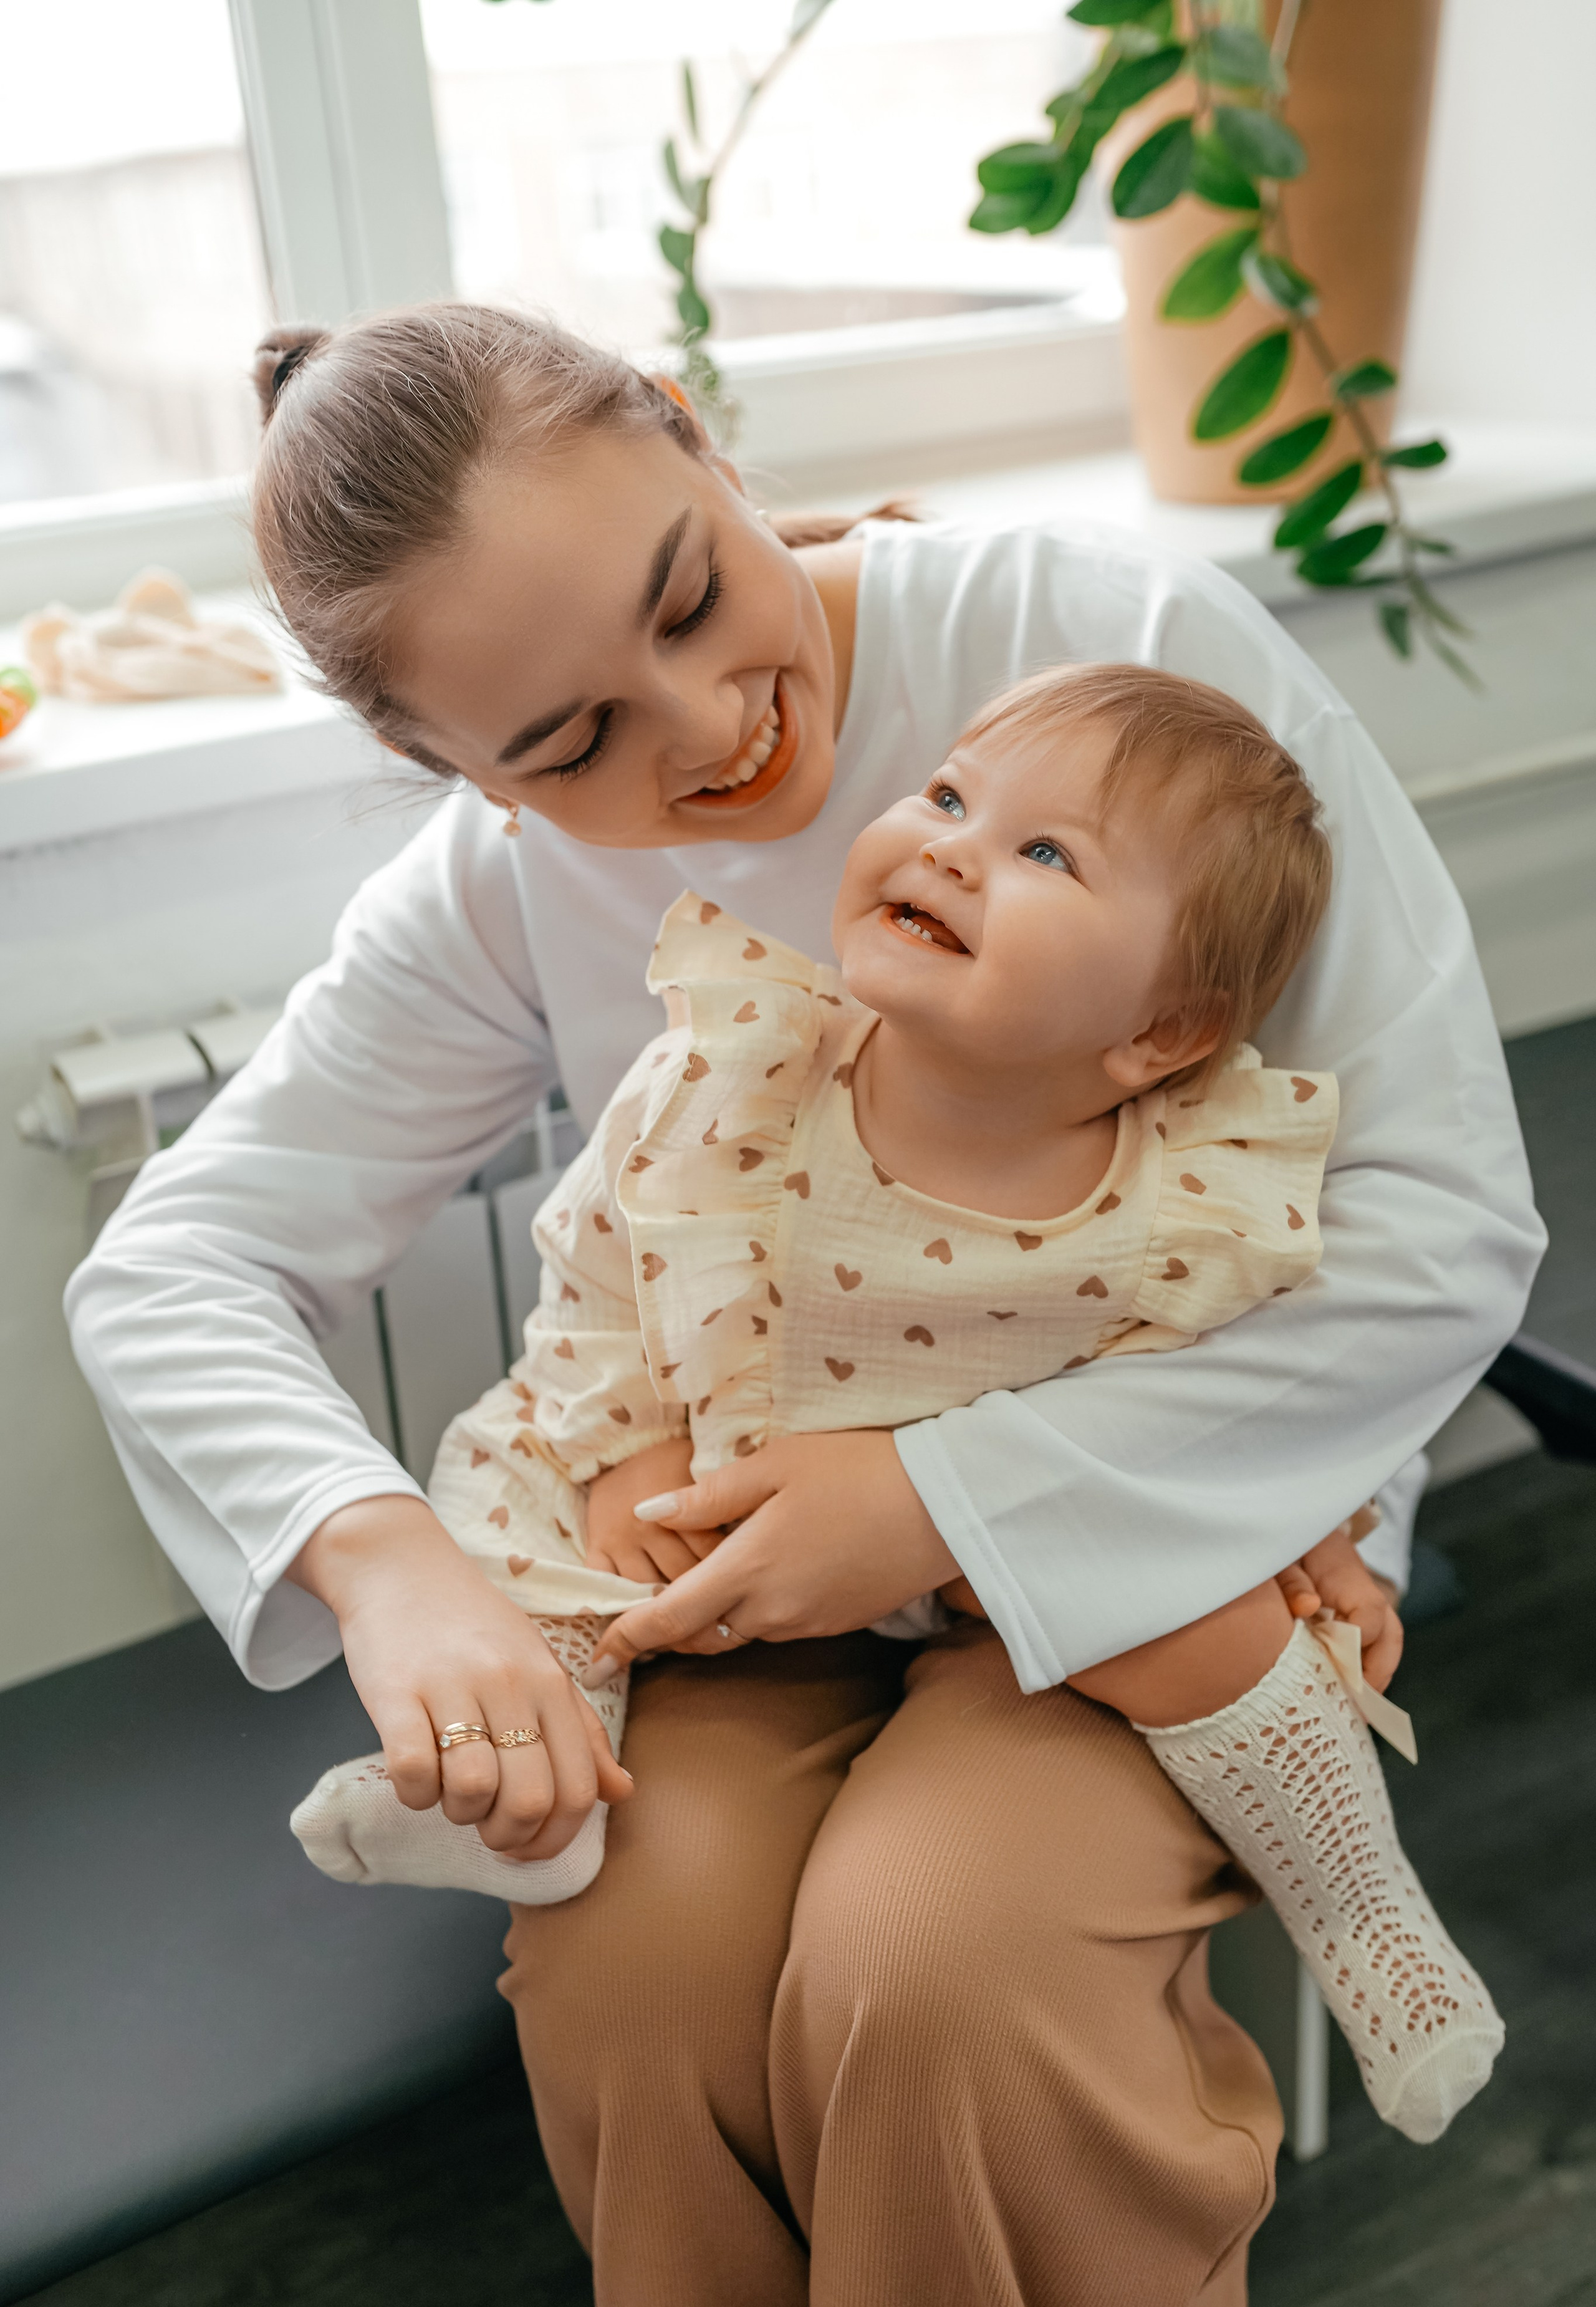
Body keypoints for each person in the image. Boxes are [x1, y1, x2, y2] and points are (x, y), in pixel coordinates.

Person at [67, 304, 1542, 2307]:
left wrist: (935, 1498)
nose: (707, 734)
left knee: (938, 1975)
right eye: (567, 744)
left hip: (1150, 1517)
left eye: (690, 595)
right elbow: (174, 1264)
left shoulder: (1107, 650)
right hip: (750, 1566)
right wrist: (394, 1567)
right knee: (639, 1977)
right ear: (452, 774)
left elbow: (1439, 1213)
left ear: (698, 434)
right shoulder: (500, 887)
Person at [295, 659, 1503, 2147]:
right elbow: (602, 1281)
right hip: (741, 1521)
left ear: (1157, 1034)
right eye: (946, 797)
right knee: (539, 1515)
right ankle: (518, 1804)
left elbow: (1239, 1396)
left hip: (1029, 1563)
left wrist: (1316, 1527)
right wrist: (629, 1447)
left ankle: (1370, 1921)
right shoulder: (737, 1067)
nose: (947, 846)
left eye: (1046, 854)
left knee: (1227, 1632)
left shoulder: (1190, 1185)